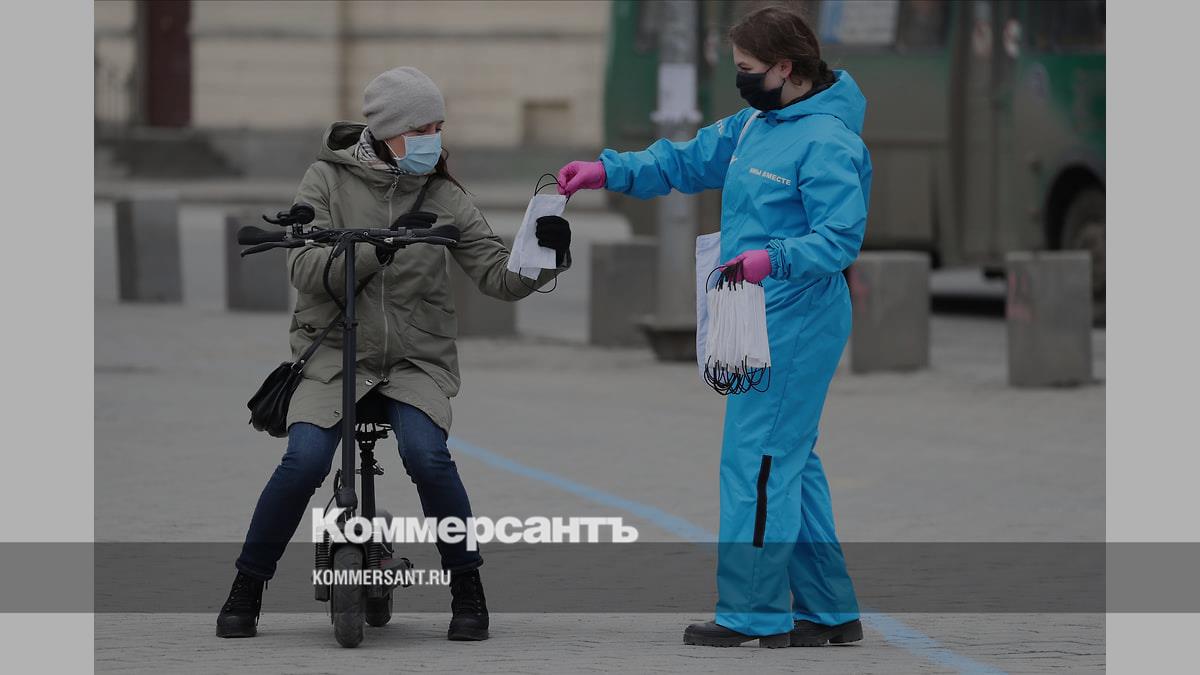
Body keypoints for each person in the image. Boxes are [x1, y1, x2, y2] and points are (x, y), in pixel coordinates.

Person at [216, 66, 573, 641]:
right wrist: (377, 248)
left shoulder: (444, 193)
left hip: (415, 360)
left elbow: (497, 276)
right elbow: (305, 269)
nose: (434, 139)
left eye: (438, 127)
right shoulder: (326, 179)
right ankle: (246, 588)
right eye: (421, 129)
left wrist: (544, 256)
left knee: (429, 457)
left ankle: (468, 588)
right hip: (333, 355)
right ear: (386, 132)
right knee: (303, 461)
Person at [556, 6, 869, 648]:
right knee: (786, 458)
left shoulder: (829, 141)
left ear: (785, 68)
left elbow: (840, 237)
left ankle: (753, 615)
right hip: (757, 308)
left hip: (797, 316)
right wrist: (607, 171)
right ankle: (830, 610)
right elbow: (686, 160)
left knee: (756, 461)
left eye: (747, 68)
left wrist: (771, 258)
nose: (740, 79)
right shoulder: (756, 123)